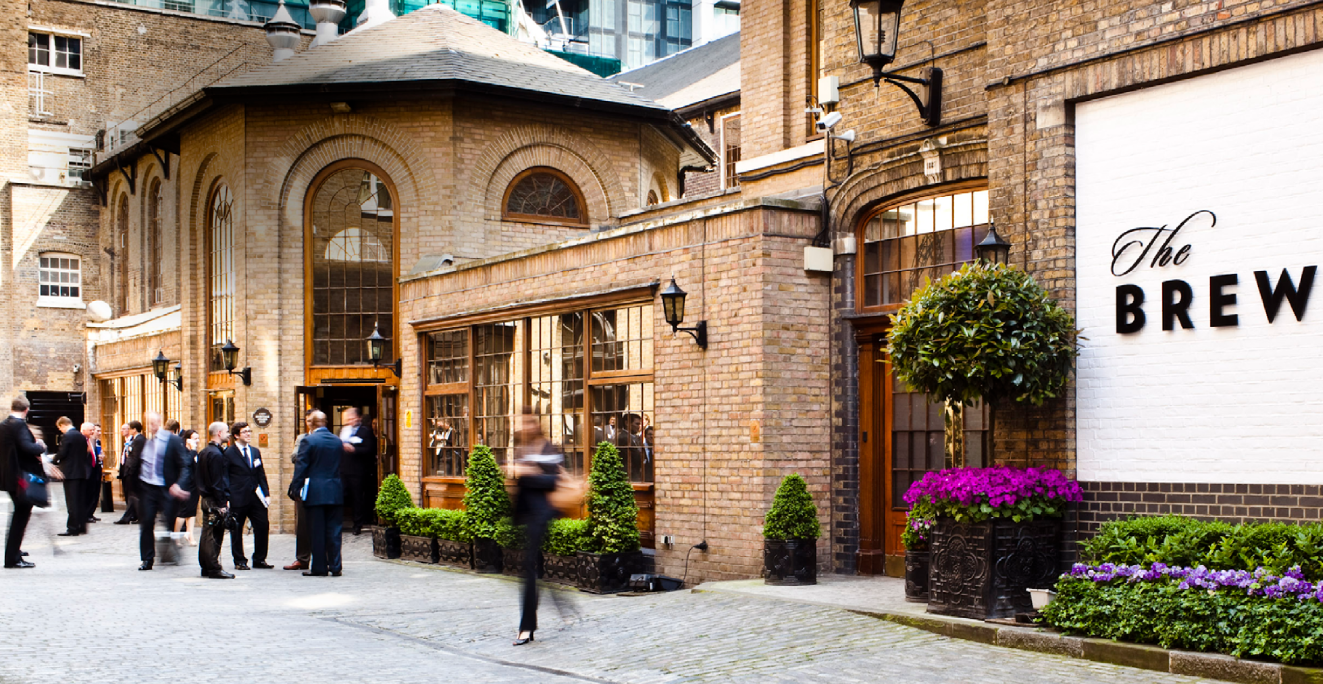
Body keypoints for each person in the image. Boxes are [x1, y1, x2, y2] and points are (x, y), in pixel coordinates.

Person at [511, 406, 566, 646]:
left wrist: (528, 472)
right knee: (534, 569)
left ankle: (526, 627)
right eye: (522, 423)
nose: (526, 427)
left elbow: (554, 480)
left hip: (542, 516)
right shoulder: (523, 449)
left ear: (536, 424)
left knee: (528, 569)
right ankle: (561, 605)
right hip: (526, 517)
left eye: (529, 422)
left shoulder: (548, 448)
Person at [135, 411, 192, 571]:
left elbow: (184, 464)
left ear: (159, 421)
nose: (151, 426)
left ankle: (169, 553)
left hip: (166, 488)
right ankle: (147, 559)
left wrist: (179, 484)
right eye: (148, 423)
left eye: (153, 422)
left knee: (169, 522)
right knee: (146, 523)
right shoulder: (145, 442)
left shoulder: (172, 440)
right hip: (148, 488)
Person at [291, 411, 343, 577]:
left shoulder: (309, 440)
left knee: (317, 531)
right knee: (334, 531)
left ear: (311, 424)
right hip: (335, 491)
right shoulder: (337, 441)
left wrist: (295, 488)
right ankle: (335, 566)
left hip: (315, 492)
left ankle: (319, 567)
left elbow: (301, 466)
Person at [2, 397, 49, 569]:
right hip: (21, 477)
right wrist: (41, 446)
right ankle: (12, 558)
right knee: (20, 517)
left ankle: (14, 553)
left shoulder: (4, 424)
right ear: (27, 409)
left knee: (18, 516)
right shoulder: (19, 425)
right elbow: (27, 447)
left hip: (9, 476)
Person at [223, 421, 271, 570]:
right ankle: (239, 560)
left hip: (256, 495)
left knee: (263, 525)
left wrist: (266, 493)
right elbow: (225, 476)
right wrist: (226, 497)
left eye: (249, 431)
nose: (249, 434)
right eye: (245, 432)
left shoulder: (255, 451)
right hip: (238, 496)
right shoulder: (229, 453)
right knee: (236, 529)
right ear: (236, 435)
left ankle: (259, 559)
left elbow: (260, 474)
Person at [195, 422, 233, 579]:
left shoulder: (204, 452)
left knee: (207, 532)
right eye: (226, 431)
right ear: (218, 433)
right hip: (214, 499)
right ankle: (213, 567)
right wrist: (222, 503)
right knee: (214, 534)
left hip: (205, 497)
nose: (228, 434)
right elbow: (218, 482)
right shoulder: (216, 455)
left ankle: (205, 565)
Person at [338, 407, 377, 536]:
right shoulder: (343, 431)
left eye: (352, 418)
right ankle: (338, 523)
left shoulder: (365, 431)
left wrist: (355, 450)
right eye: (347, 419)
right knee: (341, 496)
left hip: (358, 471)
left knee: (357, 498)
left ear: (358, 418)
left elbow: (370, 450)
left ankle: (357, 525)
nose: (350, 421)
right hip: (343, 469)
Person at [51, 417, 91, 537]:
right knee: (80, 500)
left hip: (70, 473)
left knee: (72, 501)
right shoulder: (81, 436)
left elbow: (63, 452)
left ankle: (72, 528)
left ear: (63, 425)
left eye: (60, 428)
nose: (60, 431)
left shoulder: (68, 436)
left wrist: (53, 459)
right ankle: (81, 526)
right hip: (81, 472)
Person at [285, 413, 314, 571]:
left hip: (319, 485)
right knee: (302, 524)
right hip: (304, 485)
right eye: (308, 421)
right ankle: (302, 559)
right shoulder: (301, 438)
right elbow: (294, 457)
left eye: (312, 421)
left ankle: (323, 559)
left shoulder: (327, 437)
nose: (310, 424)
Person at [173, 430, 201, 546]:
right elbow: (187, 463)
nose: (197, 441)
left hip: (194, 485)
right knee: (182, 512)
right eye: (194, 438)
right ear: (187, 440)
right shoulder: (183, 452)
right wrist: (193, 450)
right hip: (185, 485)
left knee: (192, 511)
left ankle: (190, 535)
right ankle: (176, 537)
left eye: (198, 438)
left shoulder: (195, 452)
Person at [114, 421, 144, 525]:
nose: (128, 431)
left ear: (134, 429)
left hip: (134, 472)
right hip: (131, 471)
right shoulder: (136, 440)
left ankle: (132, 516)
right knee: (132, 496)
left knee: (134, 495)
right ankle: (131, 516)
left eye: (130, 428)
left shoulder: (139, 440)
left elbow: (135, 458)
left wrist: (129, 471)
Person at [85, 424, 104, 524]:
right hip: (90, 470)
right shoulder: (88, 442)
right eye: (97, 431)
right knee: (90, 492)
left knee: (96, 492)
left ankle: (91, 513)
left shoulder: (98, 442)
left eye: (100, 431)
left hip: (97, 468)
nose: (98, 433)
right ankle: (87, 514)